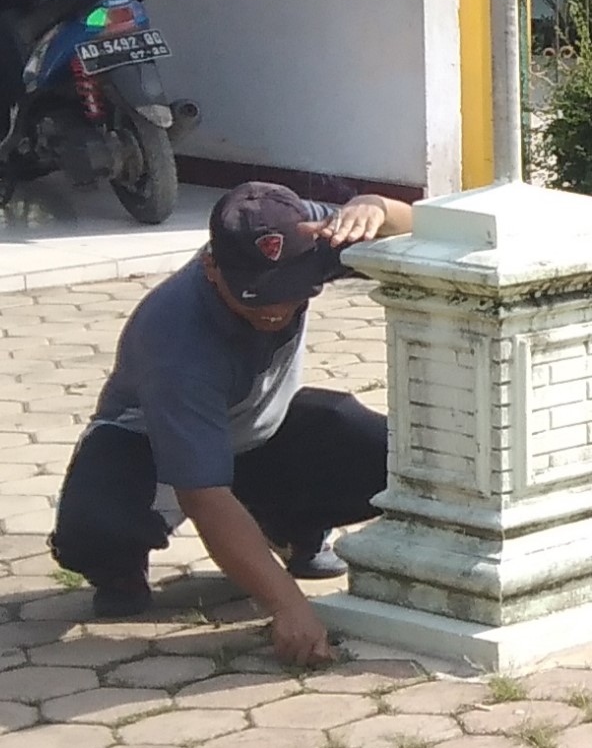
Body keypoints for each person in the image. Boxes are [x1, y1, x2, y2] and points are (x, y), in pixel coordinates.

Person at [52, 182, 416, 664]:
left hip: (260, 428)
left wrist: (379, 208)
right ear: (211, 266)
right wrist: (286, 605)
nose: (275, 310)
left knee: (391, 456)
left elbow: (434, 232)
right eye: (255, 297)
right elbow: (202, 495)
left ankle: (291, 526)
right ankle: (120, 568)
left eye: (288, 292)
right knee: (95, 526)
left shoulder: (305, 231)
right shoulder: (174, 341)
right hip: (152, 447)